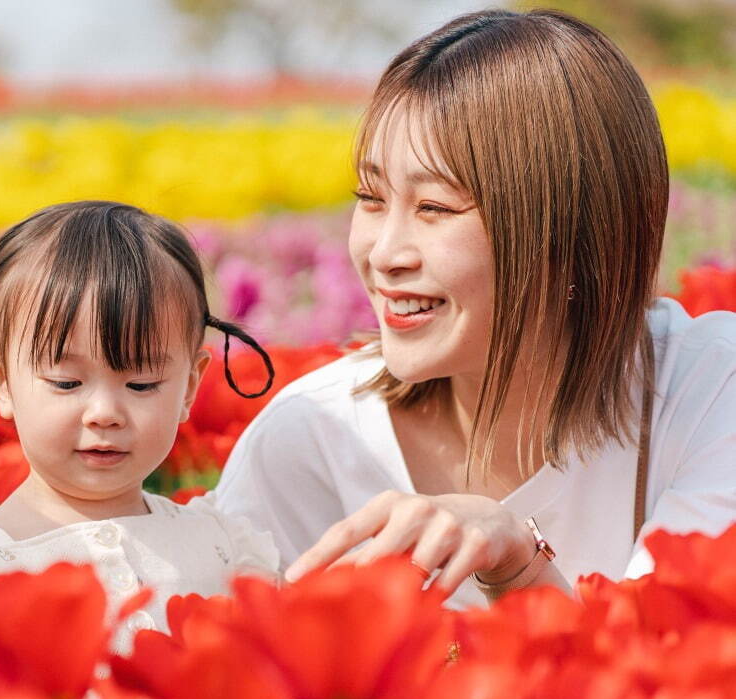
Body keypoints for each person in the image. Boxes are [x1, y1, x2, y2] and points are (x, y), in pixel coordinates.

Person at [215, 8, 736, 609]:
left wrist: (519, 564)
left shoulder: (708, 394)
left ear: (572, 233)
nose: (383, 254)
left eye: (435, 207)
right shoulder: (315, 437)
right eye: (372, 197)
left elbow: (675, 679)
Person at [0, 200, 280, 649]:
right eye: (67, 382)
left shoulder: (220, 548)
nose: (104, 412)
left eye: (143, 383)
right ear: (1, 382)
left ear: (189, 386)